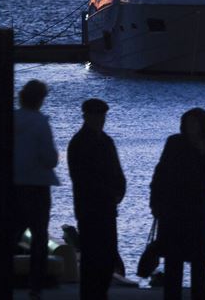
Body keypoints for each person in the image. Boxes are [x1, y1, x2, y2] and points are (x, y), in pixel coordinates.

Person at [150, 108, 205, 300]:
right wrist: (156, 204)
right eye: (188, 123)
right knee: (173, 264)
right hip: (174, 213)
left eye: (195, 123)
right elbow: (160, 175)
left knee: (199, 265)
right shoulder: (174, 144)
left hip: (199, 215)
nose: (191, 127)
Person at [68, 99, 126, 300]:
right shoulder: (79, 143)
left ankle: (99, 294)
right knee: (93, 258)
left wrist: (119, 191)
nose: (101, 120)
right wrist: (112, 192)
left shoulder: (105, 141)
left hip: (107, 207)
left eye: (102, 116)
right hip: (90, 209)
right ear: (87, 116)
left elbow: (118, 172)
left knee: (107, 257)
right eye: (97, 115)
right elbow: (83, 178)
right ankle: (91, 295)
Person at [13, 80, 59, 300]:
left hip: (15, 185)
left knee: (11, 234)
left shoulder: (11, 119)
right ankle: (35, 286)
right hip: (38, 186)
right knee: (39, 239)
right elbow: (50, 159)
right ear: (40, 99)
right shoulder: (41, 123)